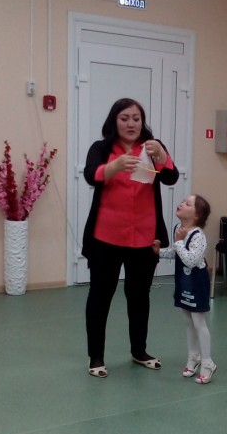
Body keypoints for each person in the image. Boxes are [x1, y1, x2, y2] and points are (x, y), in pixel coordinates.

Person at [82, 97, 179, 377]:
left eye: (136, 118)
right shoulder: (101, 148)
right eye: (124, 118)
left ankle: (139, 350)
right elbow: (91, 175)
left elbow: (171, 177)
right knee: (100, 297)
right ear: (115, 121)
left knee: (139, 297)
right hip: (106, 237)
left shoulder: (151, 147)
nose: (131, 123)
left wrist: (162, 156)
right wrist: (114, 166)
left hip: (145, 238)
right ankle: (96, 357)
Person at [154, 194, 216, 383]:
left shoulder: (198, 236)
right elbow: (177, 252)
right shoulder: (178, 229)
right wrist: (159, 252)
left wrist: (180, 241)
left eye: (188, 204)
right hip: (183, 281)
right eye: (183, 201)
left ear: (197, 215)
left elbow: (191, 260)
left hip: (197, 283)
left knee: (198, 321)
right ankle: (193, 357)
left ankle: (207, 362)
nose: (181, 204)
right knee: (188, 320)